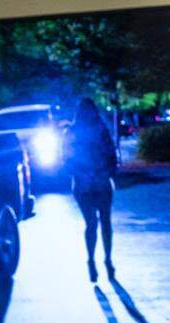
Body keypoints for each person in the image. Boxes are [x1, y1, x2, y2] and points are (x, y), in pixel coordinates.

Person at [65, 98, 117, 282]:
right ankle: (104, 260)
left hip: (87, 182)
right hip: (94, 181)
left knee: (94, 223)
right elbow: (112, 156)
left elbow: (67, 161)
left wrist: (85, 173)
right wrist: (104, 171)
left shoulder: (73, 132)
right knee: (101, 222)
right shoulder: (100, 130)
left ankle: (96, 260)